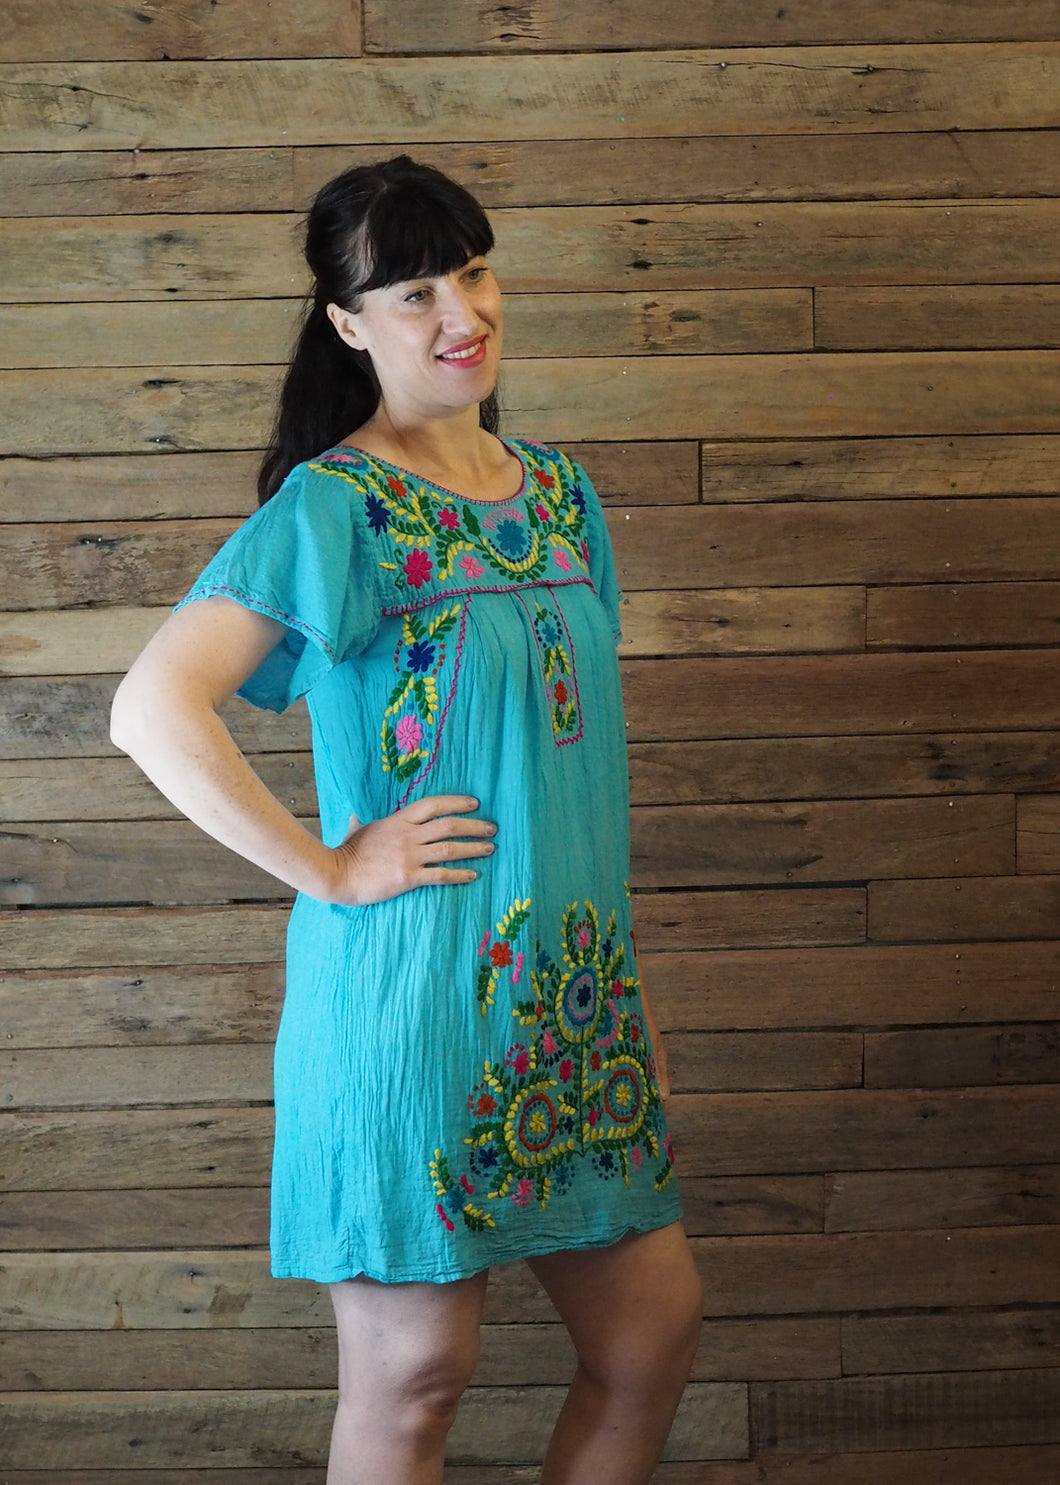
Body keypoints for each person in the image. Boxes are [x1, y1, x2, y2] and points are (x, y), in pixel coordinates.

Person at [110, 154, 702, 1485]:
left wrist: (635, 1002)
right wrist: (328, 865)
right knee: (417, 1374)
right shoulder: (336, 507)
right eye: (415, 290)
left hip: (573, 1009)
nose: (461, 313)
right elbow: (152, 707)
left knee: (651, 1334)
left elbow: (573, 785)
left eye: (474, 274)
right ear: (348, 322)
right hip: (406, 1007)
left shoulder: (564, 498)